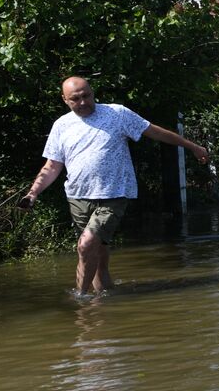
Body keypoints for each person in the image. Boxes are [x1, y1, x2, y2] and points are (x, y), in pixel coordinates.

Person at [21, 76, 209, 296]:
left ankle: (81, 301)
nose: (83, 102)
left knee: (85, 244)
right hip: (78, 196)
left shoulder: (116, 114)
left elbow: (154, 131)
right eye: (76, 99)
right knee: (96, 253)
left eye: (86, 96)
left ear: (92, 92)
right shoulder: (61, 126)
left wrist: (191, 146)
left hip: (114, 193)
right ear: (65, 100)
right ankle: (104, 300)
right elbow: (52, 166)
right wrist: (33, 193)